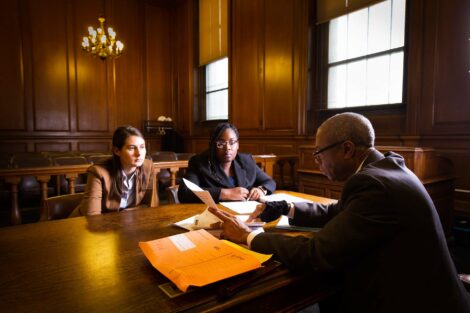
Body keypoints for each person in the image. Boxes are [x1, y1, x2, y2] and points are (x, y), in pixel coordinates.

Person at [209, 113, 470, 313]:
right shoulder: (384, 168)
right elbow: (338, 210)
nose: (316, 161)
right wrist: (287, 207)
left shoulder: (373, 184)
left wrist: (247, 236)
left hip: (413, 303)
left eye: (319, 154)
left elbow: (316, 254)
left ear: (346, 149)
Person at [178, 122, 276, 203]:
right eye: (221, 143)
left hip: (245, 215)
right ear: (213, 146)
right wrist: (224, 193)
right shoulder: (199, 163)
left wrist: (261, 190)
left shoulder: (246, 161)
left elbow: (269, 182)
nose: (228, 148)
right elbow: (185, 193)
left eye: (232, 142)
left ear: (237, 145)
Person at [75, 125, 157, 216]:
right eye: (131, 148)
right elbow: (92, 216)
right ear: (117, 151)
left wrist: (126, 215)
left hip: (128, 222)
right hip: (88, 225)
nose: (139, 154)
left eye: (142, 147)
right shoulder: (98, 171)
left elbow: (150, 205)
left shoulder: (148, 166)